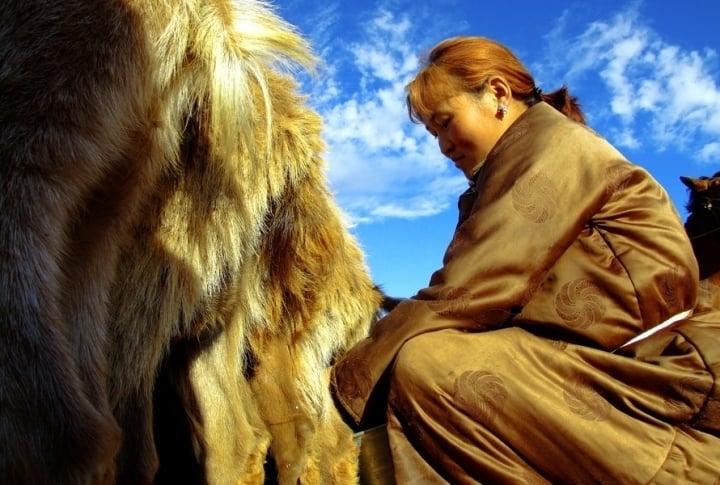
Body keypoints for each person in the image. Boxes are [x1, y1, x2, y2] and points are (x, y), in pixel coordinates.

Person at [330, 36, 720, 483]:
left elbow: (468, 290)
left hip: (641, 372)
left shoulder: (553, 148)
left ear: (497, 94)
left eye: (445, 122)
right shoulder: (504, 170)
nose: (442, 146)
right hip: (577, 358)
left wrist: (340, 383)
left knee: (432, 364)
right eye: (432, 133)